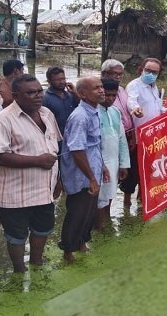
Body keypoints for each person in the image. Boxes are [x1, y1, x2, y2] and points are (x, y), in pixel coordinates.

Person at [0, 74, 61, 272]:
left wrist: (58, 179)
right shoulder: (2, 120)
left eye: (39, 91)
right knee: (16, 236)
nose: (38, 96)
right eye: (30, 93)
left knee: (43, 228)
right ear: (16, 95)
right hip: (15, 194)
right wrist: (37, 161)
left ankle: (37, 261)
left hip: (44, 190)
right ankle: (19, 270)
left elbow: (54, 147)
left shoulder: (46, 114)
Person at [59, 76, 107, 263]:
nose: (101, 90)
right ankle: (68, 251)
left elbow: (93, 146)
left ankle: (81, 242)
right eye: (96, 88)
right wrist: (92, 179)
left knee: (89, 212)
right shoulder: (80, 116)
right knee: (77, 213)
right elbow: (77, 149)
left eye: (101, 87)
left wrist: (101, 168)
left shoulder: (95, 111)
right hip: (81, 177)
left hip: (93, 170)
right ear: (83, 94)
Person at [123, 57, 164, 206]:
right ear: (141, 69)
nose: (151, 74)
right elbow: (131, 101)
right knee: (133, 170)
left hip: (153, 138)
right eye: (148, 71)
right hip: (137, 137)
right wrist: (135, 108)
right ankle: (127, 201)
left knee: (147, 169)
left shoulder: (154, 87)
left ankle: (142, 197)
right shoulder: (134, 85)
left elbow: (157, 109)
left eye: (155, 72)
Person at [95, 79, 130, 231]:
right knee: (99, 198)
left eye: (113, 96)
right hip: (99, 163)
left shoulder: (115, 112)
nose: (110, 99)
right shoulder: (93, 112)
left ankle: (106, 220)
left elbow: (122, 140)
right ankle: (98, 225)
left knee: (110, 194)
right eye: (107, 95)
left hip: (114, 161)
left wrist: (124, 164)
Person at [101, 59, 136, 207]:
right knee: (104, 183)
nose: (118, 77)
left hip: (125, 136)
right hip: (107, 142)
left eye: (121, 74)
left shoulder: (122, 90)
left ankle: (115, 206)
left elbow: (129, 112)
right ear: (104, 73)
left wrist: (133, 135)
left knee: (118, 174)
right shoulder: (98, 91)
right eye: (115, 74)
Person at [43, 66, 80, 135]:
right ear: (49, 81)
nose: (62, 82)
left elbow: (84, 108)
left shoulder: (71, 95)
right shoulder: (45, 98)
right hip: (56, 137)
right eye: (57, 80)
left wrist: (76, 93)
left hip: (73, 135)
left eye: (63, 78)